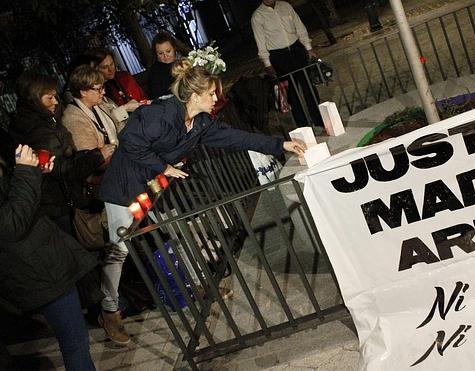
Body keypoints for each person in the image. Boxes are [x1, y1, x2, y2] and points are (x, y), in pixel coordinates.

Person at [97, 58, 305, 345]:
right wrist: (163, 167)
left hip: (155, 186)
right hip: (125, 187)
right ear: (194, 96)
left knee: (178, 231)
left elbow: (236, 138)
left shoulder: (201, 123)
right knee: (120, 249)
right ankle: (110, 310)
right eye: (211, 93)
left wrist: (279, 144)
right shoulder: (160, 113)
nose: (216, 98)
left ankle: (195, 284)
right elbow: (130, 142)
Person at [0, 143, 98, 371]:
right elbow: (12, 225)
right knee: (75, 342)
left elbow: (17, 202)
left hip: (39, 260)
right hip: (32, 269)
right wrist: (25, 172)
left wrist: (34, 172)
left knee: (75, 339)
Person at [9, 71, 112, 237]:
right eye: (49, 98)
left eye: (55, 96)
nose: (55, 102)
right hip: (59, 203)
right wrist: (96, 156)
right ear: (34, 99)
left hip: (69, 196)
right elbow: (60, 168)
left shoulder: (49, 120)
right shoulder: (37, 131)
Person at [62, 65, 121, 251]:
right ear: (83, 92)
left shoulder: (99, 105)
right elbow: (90, 160)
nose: (103, 91)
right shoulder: (73, 118)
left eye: (103, 87)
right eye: (98, 88)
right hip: (101, 182)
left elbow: (116, 127)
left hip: (116, 168)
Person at [251, 0, 324, 128]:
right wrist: (267, 63)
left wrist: (308, 47)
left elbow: (299, 26)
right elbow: (260, 41)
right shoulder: (258, 16)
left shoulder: (285, 6)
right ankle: (303, 126)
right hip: (279, 56)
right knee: (291, 92)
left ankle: (319, 119)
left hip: (296, 50)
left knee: (309, 86)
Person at [146, 32, 179, 100]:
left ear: (174, 48)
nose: (165, 56)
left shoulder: (183, 63)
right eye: (161, 53)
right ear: (156, 54)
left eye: (168, 51)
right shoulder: (154, 72)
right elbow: (155, 97)